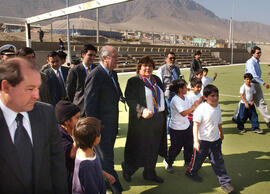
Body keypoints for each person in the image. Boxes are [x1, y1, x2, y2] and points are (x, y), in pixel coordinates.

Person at [0, 57, 67, 193]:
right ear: (6, 87)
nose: (36, 95)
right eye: (30, 89)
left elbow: (57, 165)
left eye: (37, 88)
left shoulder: (46, 113)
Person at [84, 45, 123, 193]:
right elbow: (89, 106)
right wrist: (96, 130)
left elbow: (116, 94)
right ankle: (116, 188)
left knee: (106, 156)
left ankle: (103, 181)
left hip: (111, 126)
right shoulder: (96, 75)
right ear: (105, 58)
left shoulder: (113, 74)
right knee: (107, 159)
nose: (118, 60)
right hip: (101, 128)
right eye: (115, 57)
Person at [122, 56, 167, 183]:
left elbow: (160, 96)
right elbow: (130, 99)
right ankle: (128, 169)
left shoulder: (156, 79)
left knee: (154, 147)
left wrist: (165, 113)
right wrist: (142, 110)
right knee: (139, 147)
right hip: (142, 121)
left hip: (158, 118)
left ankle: (149, 173)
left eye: (150, 66)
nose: (148, 68)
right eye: (145, 66)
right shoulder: (134, 81)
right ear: (139, 67)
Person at [186, 85, 234, 193]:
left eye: (217, 95)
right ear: (205, 97)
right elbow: (196, 125)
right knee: (198, 159)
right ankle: (191, 172)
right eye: (212, 96)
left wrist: (221, 132)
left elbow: (219, 121)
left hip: (215, 140)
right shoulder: (201, 109)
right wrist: (196, 141)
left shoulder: (217, 107)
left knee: (218, 161)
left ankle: (225, 182)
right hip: (203, 140)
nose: (215, 98)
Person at [163, 79, 202, 173]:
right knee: (176, 148)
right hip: (176, 128)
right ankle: (168, 162)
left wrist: (198, 104)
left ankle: (187, 161)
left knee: (188, 145)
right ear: (180, 89)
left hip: (186, 126)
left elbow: (190, 110)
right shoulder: (175, 100)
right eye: (185, 87)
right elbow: (184, 113)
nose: (187, 88)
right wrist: (194, 106)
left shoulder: (186, 97)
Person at [72, 117, 106, 194]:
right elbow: (91, 189)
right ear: (95, 139)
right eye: (99, 133)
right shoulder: (87, 165)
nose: (100, 135)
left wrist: (106, 175)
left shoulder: (84, 151)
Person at [55, 100, 80, 193]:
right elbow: (72, 154)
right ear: (67, 122)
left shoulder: (70, 129)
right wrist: (79, 135)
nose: (79, 120)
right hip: (67, 179)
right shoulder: (59, 135)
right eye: (77, 118)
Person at [66, 44, 97, 114]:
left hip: (95, 109)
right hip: (80, 109)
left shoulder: (97, 70)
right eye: (90, 55)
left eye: (94, 55)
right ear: (83, 54)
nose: (92, 57)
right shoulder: (74, 70)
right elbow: (70, 91)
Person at [156, 52, 182, 137]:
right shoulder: (161, 69)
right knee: (170, 114)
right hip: (168, 96)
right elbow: (159, 85)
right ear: (166, 59)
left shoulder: (177, 69)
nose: (173, 60)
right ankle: (168, 132)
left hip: (177, 95)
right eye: (171, 58)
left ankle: (175, 130)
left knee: (177, 113)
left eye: (174, 58)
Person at [245, 46, 270, 128]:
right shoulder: (250, 62)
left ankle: (236, 117)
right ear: (253, 53)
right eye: (258, 53)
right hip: (252, 83)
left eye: (260, 52)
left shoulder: (256, 61)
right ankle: (268, 121)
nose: (260, 54)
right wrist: (263, 83)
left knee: (245, 101)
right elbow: (253, 76)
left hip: (254, 84)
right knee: (260, 102)